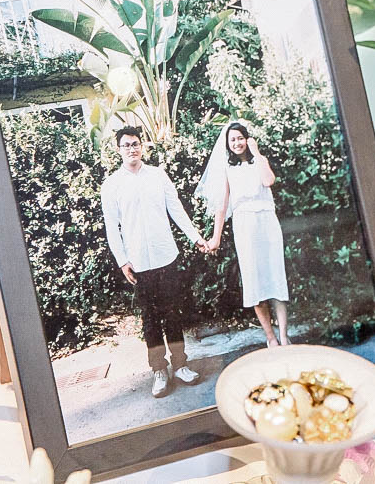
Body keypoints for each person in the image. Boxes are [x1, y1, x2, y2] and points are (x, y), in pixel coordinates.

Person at [101, 126, 210, 398]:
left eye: (135, 144)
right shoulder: (112, 185)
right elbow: (112, 228)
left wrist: (196, 238)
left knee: (173, 314)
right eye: (126, 145)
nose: (132, 149)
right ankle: (159, 370)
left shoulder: (158, 175)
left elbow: (176, 210)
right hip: (138, 263)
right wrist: (123, 261)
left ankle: (180, 365)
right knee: (150, 319)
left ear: (142, 146)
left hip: (165, 256)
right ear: (118, 149)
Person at [195, 121, 291, 347]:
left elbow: (268, 180)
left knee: (276, 278)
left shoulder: (260, 160)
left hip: (268, 222)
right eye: (232, 140)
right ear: (227, 144)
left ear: (247, 139)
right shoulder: (227, 169)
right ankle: (271, 338)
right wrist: (216, 238)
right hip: (245, 226)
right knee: (254, 281)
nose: (237, 143)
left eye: (240, 138)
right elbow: (222, 206)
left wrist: (256, 152)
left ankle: (284, 336)